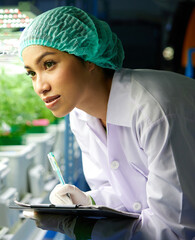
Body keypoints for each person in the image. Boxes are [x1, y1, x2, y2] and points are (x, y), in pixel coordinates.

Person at [18, 5, 195, 239]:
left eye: (49, 64)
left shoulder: (154, 111)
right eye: (31, 73)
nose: (40, 86)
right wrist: (88, 201)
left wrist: (81, 228)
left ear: (88, 58)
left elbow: (175, 230)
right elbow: (124, 193)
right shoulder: (81, 115)